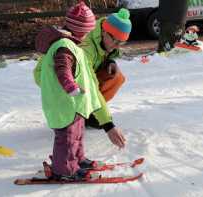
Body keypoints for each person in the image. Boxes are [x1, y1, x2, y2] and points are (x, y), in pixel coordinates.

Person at [34, 2, 124, 181]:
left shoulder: (72, 45)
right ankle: (65, 170)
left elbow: (88, 80)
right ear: (81, 30)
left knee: (76, 134)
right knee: (67, 138)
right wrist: (71, 87)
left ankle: (78, 159)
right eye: (88, 30)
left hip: (73, 103)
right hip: (64, 102)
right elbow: (62, 69)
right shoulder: (64, 46)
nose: (90, 34)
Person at [78, 8, 131, 144]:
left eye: (121, 43)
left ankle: (90, 113)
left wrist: (110, 61)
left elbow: (107, 52)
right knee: (90, 86)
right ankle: (78, 114)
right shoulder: (86, 48)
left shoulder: (106, 37)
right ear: (103, 32)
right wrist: (108, 125)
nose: (116, 46)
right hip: (67, 86)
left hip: (87, 77)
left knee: (117, 77)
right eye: (115, 41)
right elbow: (89, 86)